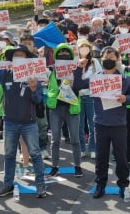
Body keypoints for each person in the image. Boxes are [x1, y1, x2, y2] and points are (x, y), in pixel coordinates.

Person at [73, 46, 130, 199]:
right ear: (101, 60)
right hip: (100, 124)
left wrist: (125, 99)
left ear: (118, 59)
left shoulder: (125, 79)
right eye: (105, 58)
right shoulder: (95, 78)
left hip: (119, 124)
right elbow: (77, 86)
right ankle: (100, 185)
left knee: (121, 158)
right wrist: (78, 69)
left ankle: (123, 185)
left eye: (111, 58)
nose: (108, 60)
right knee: (101, 157)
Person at [0, 45, 46, 198]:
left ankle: (40, 185)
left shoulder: (34, 77)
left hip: (29, 123)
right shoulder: (5, 74)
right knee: (9, 155)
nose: (18, 59)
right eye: (15, 56)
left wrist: (34, 89)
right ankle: (7, 185)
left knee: (35, 154)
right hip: (9, 122)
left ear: (27, 59)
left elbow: (38, 100)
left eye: (21, 56)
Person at [46, 43, 83, 178]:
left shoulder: (77, 71)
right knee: (55, 140)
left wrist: (75, 83)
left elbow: (83, 86)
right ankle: (54, 166)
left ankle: (77, 166)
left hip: (72, 108)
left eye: (66, 53)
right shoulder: (52, 70)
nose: (63, 55)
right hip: (56, 108)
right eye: (60, 53)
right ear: (56, 56)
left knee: (75, 139)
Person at [76, 39, 102, 159]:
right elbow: (74, 79)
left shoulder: (95, 62)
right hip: (78, 97)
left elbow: (98, 77)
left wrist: (85, 83)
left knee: (92, 124)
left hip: (92, 96)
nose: (84, 50)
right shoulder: (75, 62)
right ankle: (81, 148)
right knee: (79, 125)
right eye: (81, 47)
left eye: (86, 47)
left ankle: (93, 148)